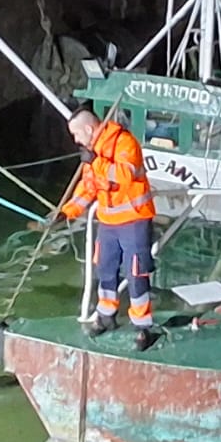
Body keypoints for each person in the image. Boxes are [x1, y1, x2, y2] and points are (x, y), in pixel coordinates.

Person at [61, 107, 159, 351]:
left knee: (136, 273)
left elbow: (125, 174)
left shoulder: (125, 143)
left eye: (76, 134)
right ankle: (106, 315)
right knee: (105, 268)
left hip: (134, 220)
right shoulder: (92, 153)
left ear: (88, 129)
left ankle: (142, 326)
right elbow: (88, 188)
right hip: (108, 223)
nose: (76, 140)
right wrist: (66, 212)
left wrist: (97, 161)